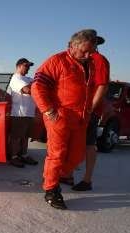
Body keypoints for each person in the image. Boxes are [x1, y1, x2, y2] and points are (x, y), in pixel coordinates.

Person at [31, 29, 98, 209]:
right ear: (72, 46)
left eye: (91, 50)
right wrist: (49, 111)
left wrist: (89, 111)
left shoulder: (90, 64)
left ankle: (57, 175)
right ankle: (51, 190)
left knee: (77, 155)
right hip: (59, 116)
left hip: (81, 118)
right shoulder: (57, 61)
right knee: (57, 154)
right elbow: (37, 87)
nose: (88, 54)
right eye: (85, 50)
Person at [63, 32, 110, 191]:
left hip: (89, 111)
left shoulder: (99, 60)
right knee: (73, 143)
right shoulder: (84, 60)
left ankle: (87, 180)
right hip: (78, 109)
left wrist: (91, 108)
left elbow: (103, 85)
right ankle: (68, 174)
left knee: (88, 144)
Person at [7, 58, 38, 167]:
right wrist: (35, 84)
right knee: (16, 137)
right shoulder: (16, 79)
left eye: (29, 66)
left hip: (29, 113)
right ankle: (14, 157)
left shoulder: (28, 78)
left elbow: (37, 85)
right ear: (19, 66)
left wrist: (35, 83)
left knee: (25, 136)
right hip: (19, 113)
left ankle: (23, 155)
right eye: (26, 66)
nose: (28, 68)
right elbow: (27, 90)